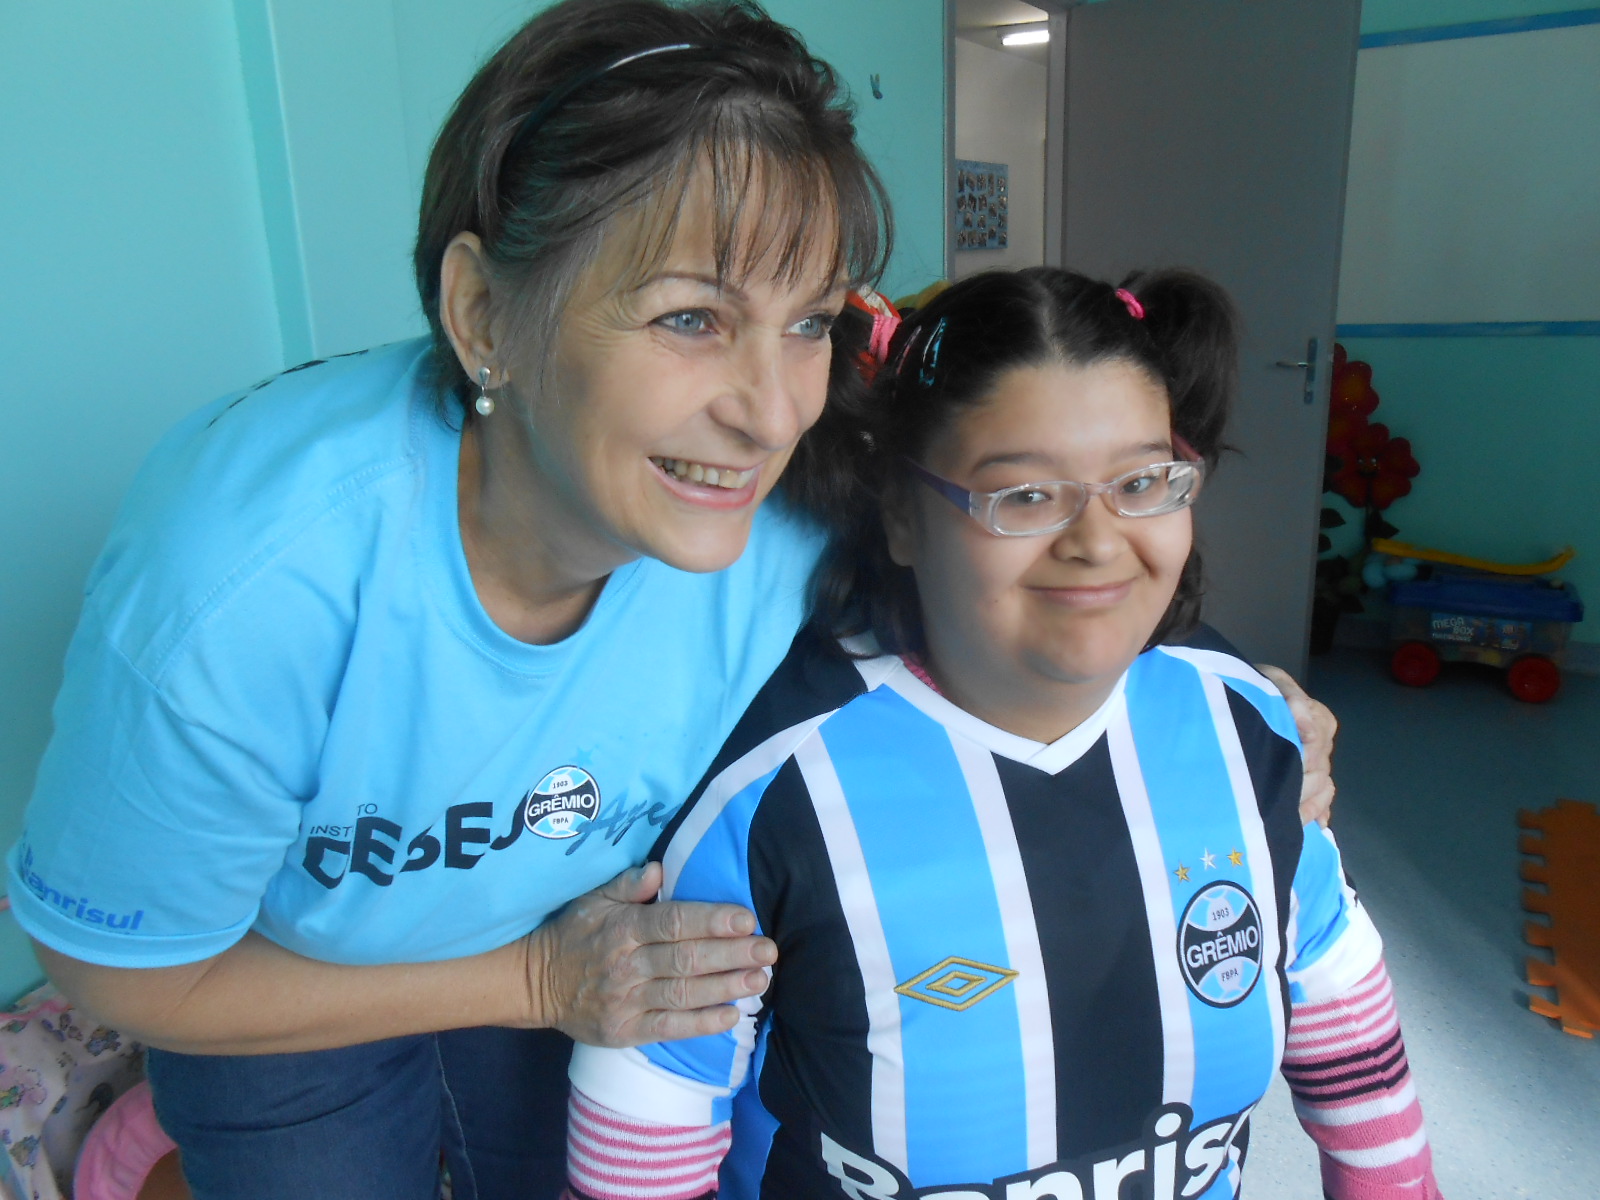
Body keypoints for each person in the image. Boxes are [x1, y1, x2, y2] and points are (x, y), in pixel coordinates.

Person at [8, 3, 1335, 1197]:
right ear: (483, 315)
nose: (766, 411)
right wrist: (531, 981)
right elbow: (123, 971)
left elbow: (1034, 538)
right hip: (285, 965)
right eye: (692, 318)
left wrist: (1234, 710)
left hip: (582, 925)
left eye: (807, 321)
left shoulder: (803, 493)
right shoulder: (250, 588)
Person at [563, 269, 1441, 1200]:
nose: (1098, 542)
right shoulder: (777, 790)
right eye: (1024, 496)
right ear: (902, 515)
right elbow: (653, 1104)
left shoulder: (1251, 731)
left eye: (1144, 482)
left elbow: (1339, 1006)